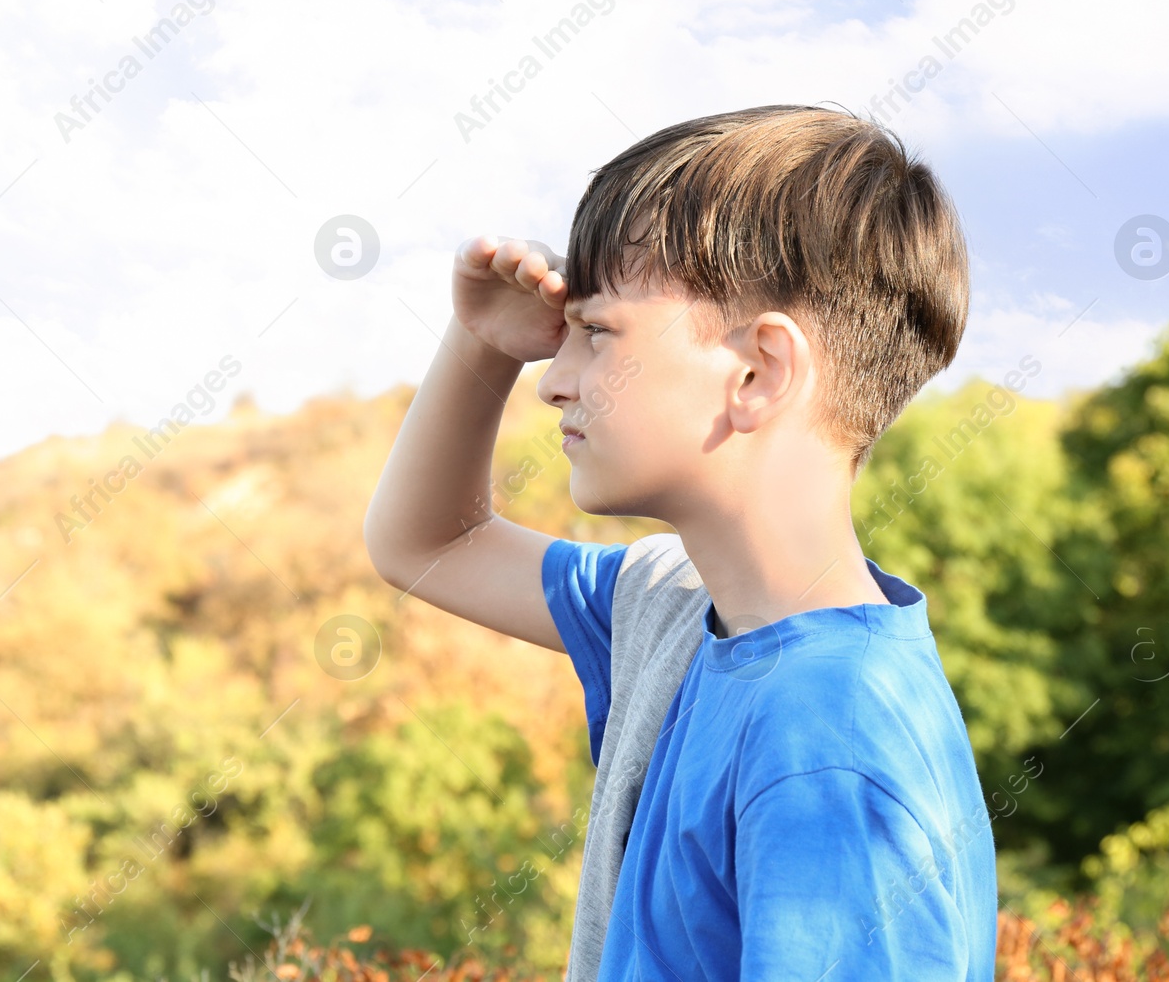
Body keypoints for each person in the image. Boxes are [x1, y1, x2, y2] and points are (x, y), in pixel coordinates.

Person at [363, 104, 995, 980]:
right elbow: (425, 542)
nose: (553, 380)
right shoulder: (672, 605)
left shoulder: (830, 746)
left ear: (757, 373)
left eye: (596, 333)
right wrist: (480, 347)